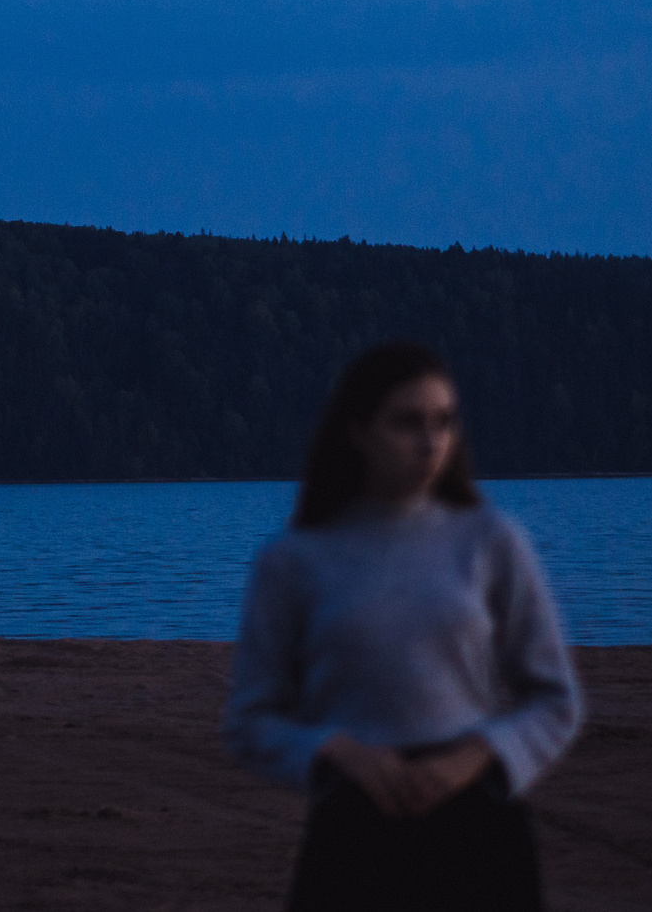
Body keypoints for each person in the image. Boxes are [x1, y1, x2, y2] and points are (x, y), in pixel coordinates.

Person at [222, 340, 583, 911]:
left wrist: (472, 758)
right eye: (407, 423)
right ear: (358, 430)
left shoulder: (491, 541)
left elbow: (554, 700)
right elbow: (251, 720)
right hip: (354, 825)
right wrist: (339, 751)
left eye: (444, 422)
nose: (430, 442)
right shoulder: (294, 560)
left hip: (479, 824)